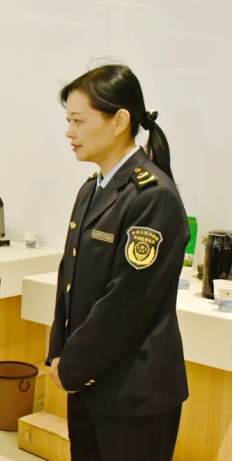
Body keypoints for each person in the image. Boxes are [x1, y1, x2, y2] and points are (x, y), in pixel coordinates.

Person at [47, 64, 189, 461]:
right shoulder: (91, 189)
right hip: (89, 382)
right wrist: (59, 353)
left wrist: (73, 366)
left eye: (78, 121)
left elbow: (126, 303)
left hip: (133, 393)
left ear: (119, 121)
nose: (69, 132)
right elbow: (70, 278)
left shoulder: (152, 196)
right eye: (68, 121)